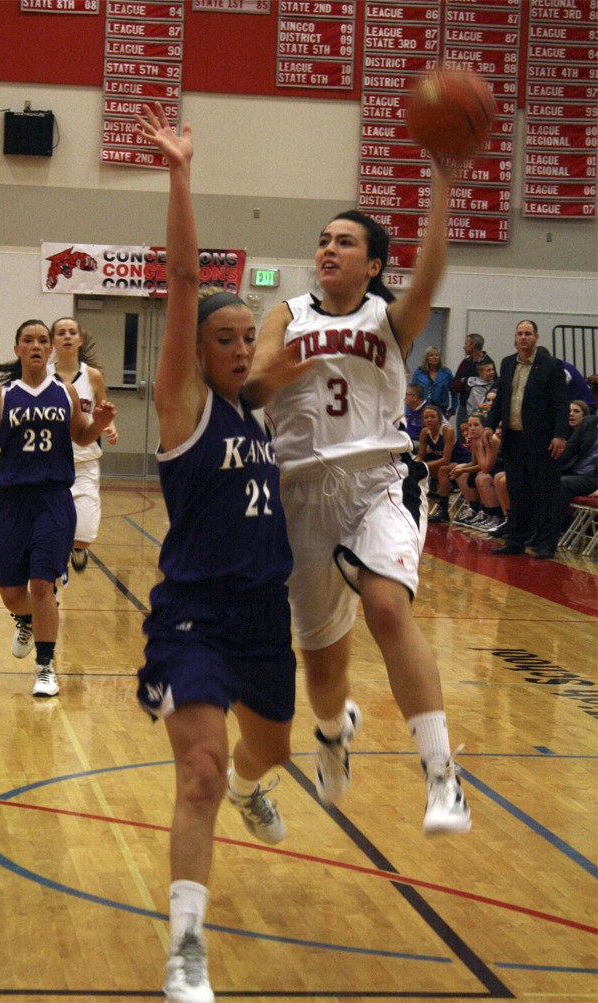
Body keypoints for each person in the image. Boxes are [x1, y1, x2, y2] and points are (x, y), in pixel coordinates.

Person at [245, 157, 471, 836]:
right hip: (300, 494)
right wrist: (274, 372)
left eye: (345, 241)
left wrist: (443, 185)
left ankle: (443, 777)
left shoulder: (390, 320)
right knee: (323, 673)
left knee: (386, 606)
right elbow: (252, 390)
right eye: (323, 240)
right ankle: (334, 732)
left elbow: (429, 276)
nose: (328, 249)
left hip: (378, 479)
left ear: (373, 265)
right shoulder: (284, 313)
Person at [133, 104, 298, 1003]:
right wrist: (182, 175)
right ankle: (187, 949)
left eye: (246, 340)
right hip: (193, 612)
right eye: (222, 340)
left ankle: (253, 785)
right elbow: (188, 279)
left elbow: (290, 342)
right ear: (197, 352)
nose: (238, 350)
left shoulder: (259, 411)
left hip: (265, 614)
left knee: (259, 754)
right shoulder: (182, 409)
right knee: (199, 768)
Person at [0, 320, 116, 697]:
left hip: (53, 499)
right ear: (17, 349)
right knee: (12, 593)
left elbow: (81, 435)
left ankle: (45, 668)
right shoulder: (5, 395)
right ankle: (25, 621)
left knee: (41, 585)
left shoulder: (64, 392)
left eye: (42, 341)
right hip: (13, 502)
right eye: (28, 340)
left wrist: (97, 424)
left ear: (50, 351)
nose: (36, 345)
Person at [485, 319, 570, 560]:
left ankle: (545, 543)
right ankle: (515, 541)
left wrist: (560, 435)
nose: (523, 337)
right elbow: (501, 399)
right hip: (514, 439)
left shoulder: (551, 366)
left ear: (536, 337)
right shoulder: (507, 363)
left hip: (542, 440)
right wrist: (489, 425)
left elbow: (561, 404)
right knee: (517, 491)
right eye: (520, 333)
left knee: (544, 493)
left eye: (528, 333)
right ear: (515, 338)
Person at [49, 317, 119, 572]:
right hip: (51, 465)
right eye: (61, 333)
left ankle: (78, 549)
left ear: (79, 339)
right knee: (51, 533)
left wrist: (109, 427)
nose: (67, 336)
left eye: (72, 332)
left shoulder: (93, 376)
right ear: (53, 342)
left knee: (83, 536)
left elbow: (103, 410)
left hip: (85, 463)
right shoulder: (43, 377)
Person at [451, 333, 494, 440]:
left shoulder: (488, 363)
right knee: (463, 439)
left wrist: (466, 382)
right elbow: (454, 384)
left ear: (473, 345)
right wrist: (467, 384)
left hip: (482, 409)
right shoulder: (465, 363)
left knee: (479, 439)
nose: (464, 346)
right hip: (464, 406)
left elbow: (493, 385)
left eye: (466, 343)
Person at [560, 401, 598, 519]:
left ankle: (555, 529)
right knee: (542, 478)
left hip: (594, 479)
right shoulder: (589, 422)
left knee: (561, 483)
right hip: (577, 473)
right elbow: (569, 450)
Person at [417, 403, 455, 515]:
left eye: (433, 417)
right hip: (440, 464)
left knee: (442, 470)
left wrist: (423, 466)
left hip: (458, 462)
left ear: (439, 419)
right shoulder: (424, 432)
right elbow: (420, 456)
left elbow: (446, 460)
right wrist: (413, 465)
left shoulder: (447, 431)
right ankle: (415, 502)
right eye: (426, 417)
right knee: (413, 469)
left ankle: (443, 510)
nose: (429, 420)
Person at [412, 346, 456, 415]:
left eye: (437, 355)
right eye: (431, 355)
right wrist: (409, 412)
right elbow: (412, 393)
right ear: (426, 358)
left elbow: (454, 392)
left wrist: (452, 410)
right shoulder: (419, 373)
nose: (434, 357)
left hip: (441, 411)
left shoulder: (446, 373)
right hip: (421, 410)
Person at [404, 381, 427, 447]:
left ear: (415, 397)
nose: (404, 397)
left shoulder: (428, 411)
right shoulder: (412, 408)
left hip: (419, 444)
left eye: (406, 395)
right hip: (408, 441)